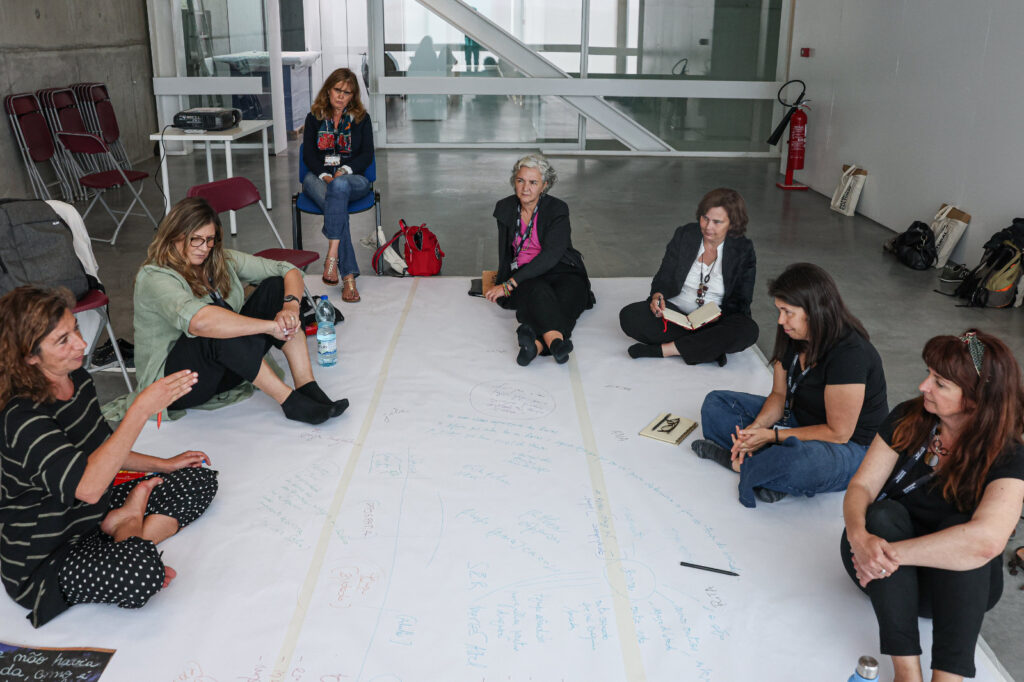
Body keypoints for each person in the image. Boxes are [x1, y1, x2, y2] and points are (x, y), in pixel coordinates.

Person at [0, 286, 218, 627]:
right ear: (29, 356)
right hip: (49, 550)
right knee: (142, 576)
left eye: (75, 329)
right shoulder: (20, 417)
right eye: (63, 340)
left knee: (198, 479)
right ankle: (129, 531)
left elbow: (105, 450)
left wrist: (166, 465)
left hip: (94, 509)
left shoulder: (79, 379)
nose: (81, 344)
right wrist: (141, 407)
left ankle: (125, 529)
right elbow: (86, 487)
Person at [841, 330, 1024, 682]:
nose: (924, 386)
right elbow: (861, 486)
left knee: (966, 540)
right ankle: (907, 674)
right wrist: (859, 536)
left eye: (940, 383)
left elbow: (986, 541)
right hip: (881, 573)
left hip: (951, 584)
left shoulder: (1008, 454)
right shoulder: (910, 417)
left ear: (975, 398)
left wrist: (888, 554)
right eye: (929, 375)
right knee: (881, 514)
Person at [126, 197, 348, 425]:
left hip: (225, 370)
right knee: (213, 321)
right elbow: (200, 322)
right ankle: (290, 402)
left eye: (210, 240)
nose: (204, 248)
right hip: (177, 386)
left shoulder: (218, 259)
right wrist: (271, 327)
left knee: (275, 287)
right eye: (196, 240)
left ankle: (307, 387)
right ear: (175, 235)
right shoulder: (154, 277)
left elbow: (287, 270)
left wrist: (290, 307)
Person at [691, 262, 888, 507]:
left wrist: (772, 436)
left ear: (814, 310)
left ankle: (743, 463)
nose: (781, 321)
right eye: (779, 311)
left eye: (788, 312)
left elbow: (839, 433)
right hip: (800, 421)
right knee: (716, 405)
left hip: (850, 447)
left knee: (802, 463)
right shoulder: (794, 333)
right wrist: (755, 430)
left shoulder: (850, 354)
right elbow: (778, 394)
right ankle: (767, 468)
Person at [618, 187, 758, 366]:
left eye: (717, 222)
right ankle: (709, 348)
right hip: (676, 313)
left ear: (732, 224)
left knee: (748, 331)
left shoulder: (743, 249)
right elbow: (664, 277)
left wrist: (716, 316)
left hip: (715, 321)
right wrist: (657, 296)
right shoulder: (685, 234)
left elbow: (742, 300)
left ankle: (665, 350)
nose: (708, 227)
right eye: (705, 218)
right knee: (630, 317)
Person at [485, 153, 594, 366]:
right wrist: (506, 284)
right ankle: (556, 343)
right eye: (521, 181)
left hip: (561, 268)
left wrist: (509, 285)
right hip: (527, 274)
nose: (526, 188)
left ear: (544, 185)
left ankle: (536, 345)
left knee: (572, 294)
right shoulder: (505, 208)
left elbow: (552, 255)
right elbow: (506, 253)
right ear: (514, 182)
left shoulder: (557, 209)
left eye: (533, 182)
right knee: (538, 293)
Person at [302, 67, 374, 302]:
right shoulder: (314, 117)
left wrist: (343, 171)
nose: (342, 96)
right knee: (336, 198)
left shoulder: (361, 119)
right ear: (328, 89)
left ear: (354, 95)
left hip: (354, 179)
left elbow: (366, 155)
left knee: (339, 187)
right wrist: (325, 175)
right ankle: (349, 279)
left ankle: (332, 254)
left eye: (348, 92)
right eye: (338, 90)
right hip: (318, 179)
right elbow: (310, 156)